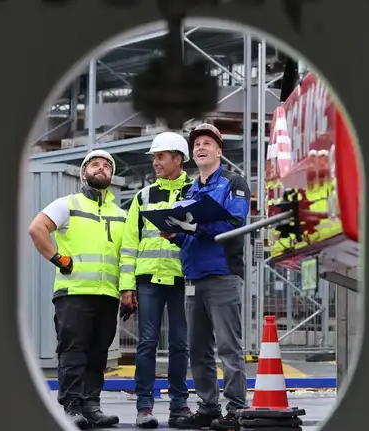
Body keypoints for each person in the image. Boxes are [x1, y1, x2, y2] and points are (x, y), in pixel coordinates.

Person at [28, 149, 126, 430]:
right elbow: (37, 229)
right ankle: (71, 406)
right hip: (74, 293)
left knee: (98, 352)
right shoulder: (67, 204)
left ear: (111, 175)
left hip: (108, 294)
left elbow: (126, 255)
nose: (101, 167)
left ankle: (91, 405)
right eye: (95, 164)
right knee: (73, 351)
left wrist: (128, 292)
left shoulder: (120, 214)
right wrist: (58, 258)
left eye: (107, 165)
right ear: (84, 173)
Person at [163, 123, 251, 431]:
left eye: (207, 143)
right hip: (194, 277)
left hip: (223, 274)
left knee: (228, 346)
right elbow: (189, 235)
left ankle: (236, 410)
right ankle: (209, 407)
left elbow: (235, 223)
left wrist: (197, 226)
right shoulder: (189, 189)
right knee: (197, 347)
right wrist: (174, 233)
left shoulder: (233, 182)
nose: (201, 147)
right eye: (197, 144)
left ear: (219, 151)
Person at [119, 131, 195, 429]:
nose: (155, 162)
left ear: (178, 159)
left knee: (180, 344)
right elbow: (129, 245)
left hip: (180, 278)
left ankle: (179, 406)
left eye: (160, 156)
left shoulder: (194, 192)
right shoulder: (144, 196)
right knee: (147, 343)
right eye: (154, 157)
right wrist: (126, 286)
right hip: (148, 279)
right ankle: (144, 408)